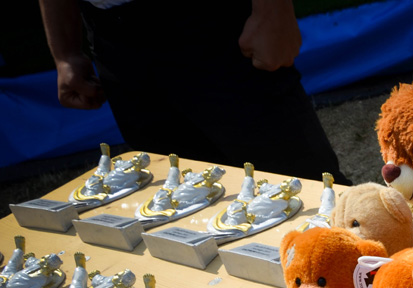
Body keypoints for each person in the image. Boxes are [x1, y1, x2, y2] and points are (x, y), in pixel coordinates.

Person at [37, 0, 347, 183]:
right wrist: (65, 52)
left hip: (207, 21)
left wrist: (273, 9)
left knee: (303, 184)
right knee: (188, 199)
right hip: (113, 39)